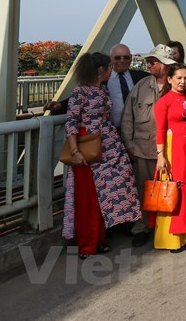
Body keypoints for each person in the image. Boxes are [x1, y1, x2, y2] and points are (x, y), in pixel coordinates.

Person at [62, 52, 140, 258]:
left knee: (102, 195)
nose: (111, 70)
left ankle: (99, 237)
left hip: (108, 146)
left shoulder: (102, 90)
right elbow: (71, 122)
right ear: (100, 70)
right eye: (108, 68)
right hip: (89, 149)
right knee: (88, 198)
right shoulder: (81, 92)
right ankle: (87, 243)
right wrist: (75, 151)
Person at [120, 44, 175, 247]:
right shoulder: (141, 86)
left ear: (167, 65)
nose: (149, 64)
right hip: (143, 149)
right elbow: (128, 117)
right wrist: (129, 145)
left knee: (170, 190)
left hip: (171, 151)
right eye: (148, 61)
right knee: (144, 192)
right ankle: (143, 227)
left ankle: (167, 229)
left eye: (154, 61)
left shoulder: (179, 85)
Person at [153, 63, 186, 252]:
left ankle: (185, 231)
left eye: (185, 78)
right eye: (178, 77)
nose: (182, 81)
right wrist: (161, 156)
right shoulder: (164, 102)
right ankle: (171, 238)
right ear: (169, 79)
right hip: (173, 150)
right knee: (174, 191)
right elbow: (160, 130)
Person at [106, 44, 149, 127]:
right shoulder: (103, 81)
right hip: (111, 131)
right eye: (117, 58)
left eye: (126, 57)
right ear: (110, 58)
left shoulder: (142, 77)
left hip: (137, 130)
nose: (122, 61)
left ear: (131, 58)